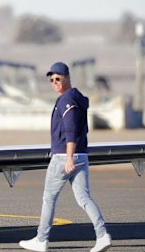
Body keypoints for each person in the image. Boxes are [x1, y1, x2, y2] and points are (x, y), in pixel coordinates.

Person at [19, 62, 112, 252]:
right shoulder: (78, 98)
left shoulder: (67, 100)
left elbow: (70, 129)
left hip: (64, 157)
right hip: (81, 156)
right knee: (84, 198)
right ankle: (102, 235)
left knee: (49, 198)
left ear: (67, 78)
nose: (55, 83)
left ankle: (41, 239)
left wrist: (68, 158)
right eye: (52, 80)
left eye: (58, 79)